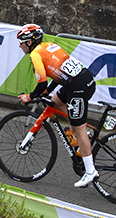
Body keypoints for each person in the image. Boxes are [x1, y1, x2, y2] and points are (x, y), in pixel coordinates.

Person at [16, 24, 99, 187]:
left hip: (78, 88)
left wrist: (29, 97)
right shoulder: (50, 46)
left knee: (78, 129)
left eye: (21, 42)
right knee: (54, 101)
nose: (20, 46)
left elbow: (40, 85)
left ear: (29, 42)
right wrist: (47, 91)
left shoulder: (35, 56)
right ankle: (82, 130)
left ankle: (90, 172)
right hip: (82, 79)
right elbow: (57, 74)